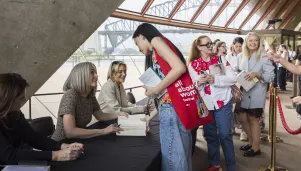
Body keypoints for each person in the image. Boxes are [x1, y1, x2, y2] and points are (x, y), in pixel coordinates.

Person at [0, 73, 84, 171]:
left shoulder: (12, 113)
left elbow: (32, 138)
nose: (24, 100)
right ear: (5, 100)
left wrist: (62, 146)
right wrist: (55, 155)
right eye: (20, 98)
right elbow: (10, 156)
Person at [133, 23, 192, 171]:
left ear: (142, 35)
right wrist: (150, 115)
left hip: (170, 109)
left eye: (136, 42)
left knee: (172, 160)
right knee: (182, 156)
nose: (138, 47)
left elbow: (179, 68)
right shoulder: (159, 47)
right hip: (178, 107)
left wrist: (155, 90)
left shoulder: (156, 41)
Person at [188, 35, 237, 171]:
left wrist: (215, 80)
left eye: (211, 43)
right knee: (210, 136)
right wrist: (199, 82)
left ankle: (231, 165)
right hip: (206, 106)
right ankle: (214, 164)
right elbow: (192, 87)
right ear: (199, 47)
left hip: (223, 103)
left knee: (225, 134)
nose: (210, 46)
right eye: (206, 44)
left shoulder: (220, 59)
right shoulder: (193, 65)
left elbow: (233, 78)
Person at [51, 62, 128, 142]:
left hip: (77, 141)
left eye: (95, 72)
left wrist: (119, 114)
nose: (96, 76)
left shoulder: (90, 95)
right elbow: (70, 132)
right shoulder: (71, 95)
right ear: (81, 76)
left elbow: (100, 115)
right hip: (61, 143)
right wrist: (103, 131)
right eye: (92, 72)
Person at [237, 32, 274, 157]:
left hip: (257, 92)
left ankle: (256, 147)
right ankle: (251, 142)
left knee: (253, 120)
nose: (253, 43)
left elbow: (271, 76)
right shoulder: (241, 56)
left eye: (255, 41)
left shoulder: (264, 56)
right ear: (246, 43)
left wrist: (258, 74)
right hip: (244, 90)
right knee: (242, 118)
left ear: (259, 42)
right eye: (250, 41)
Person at [226, 37, 248, 141]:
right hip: (232, 83)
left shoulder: (245, 55)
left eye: (240, 46)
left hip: (243, 82)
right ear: (233, 46)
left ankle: (243, 131)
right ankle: (232, 127)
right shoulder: (228, 56)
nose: (238, 48)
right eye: (236, 46)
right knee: (230, 105)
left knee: (241, 107)